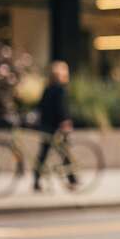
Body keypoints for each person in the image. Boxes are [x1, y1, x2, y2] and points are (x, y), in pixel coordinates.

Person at [32, 60, 73, 192]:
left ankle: (36, 180)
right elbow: (61, 108)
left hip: (46, 125)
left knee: (43, 153)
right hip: (58, 126)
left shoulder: (47, 88)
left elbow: (41, 106)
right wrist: (65, 121)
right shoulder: (60, 89)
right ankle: (72, 178)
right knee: (64, 152)